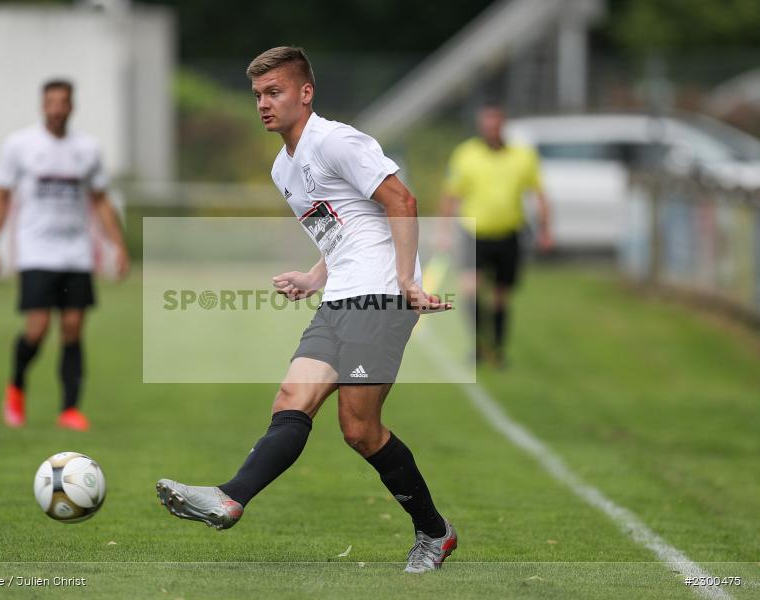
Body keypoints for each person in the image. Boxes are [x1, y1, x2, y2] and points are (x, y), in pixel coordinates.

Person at [156, 47, 457, 573]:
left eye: (274, 92)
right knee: (290, 401)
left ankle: (435, 533)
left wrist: (408, 280)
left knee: (359, 429)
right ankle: (229, 499)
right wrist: (315, 276)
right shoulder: (282, 168)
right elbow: (339, 227)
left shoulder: (336, 140)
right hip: (339, 295)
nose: (264, 105)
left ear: (305, 93)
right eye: (257, 96)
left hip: (380, 296)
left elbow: (401, 201)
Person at [0, 79, 129, 431]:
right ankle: (16, 388)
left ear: (71, 106)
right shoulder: (20, 145)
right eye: (50, 101)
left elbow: (100, 200)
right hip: (36, 251)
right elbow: (2, 196)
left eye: (62, 101)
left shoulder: (88, 148)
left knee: (72, 328)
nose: (56, 108)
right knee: (36, 329)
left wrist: (118, 246)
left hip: (77, 253)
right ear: (42, 105)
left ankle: (69, 409)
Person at [440, 104, 552, 367]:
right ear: (481, 126)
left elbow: (539, 195)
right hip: (473, 233)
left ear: (503, 125)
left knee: (501, 295)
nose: (492, 129)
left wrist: (546, 230)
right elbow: (451, 195)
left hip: (508, 233)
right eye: (487, 124)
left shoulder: (522, 156)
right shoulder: (465, 154)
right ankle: (477, 345)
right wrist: (444, 231)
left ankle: (498, 349)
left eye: (496, 124)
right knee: (471, 289)